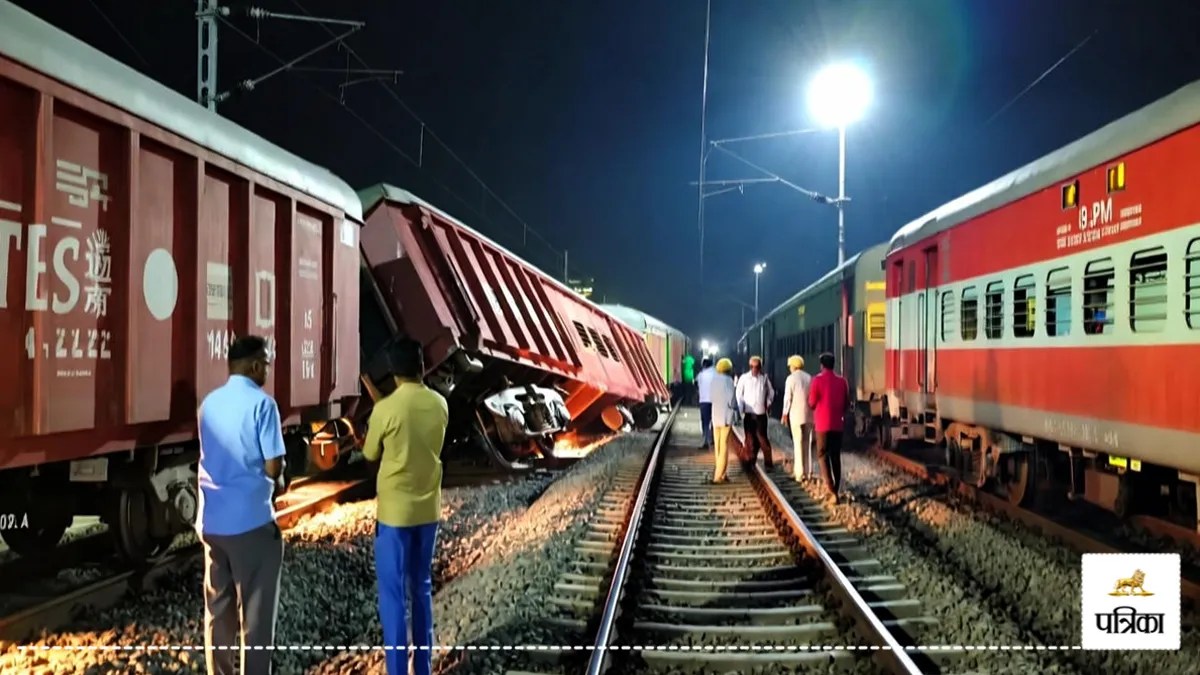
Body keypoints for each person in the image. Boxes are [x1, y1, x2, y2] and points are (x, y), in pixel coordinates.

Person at [197, 335, 287, 675]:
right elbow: (273, 465)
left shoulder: (209, 404)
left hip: (212, 523)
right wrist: (278, 476)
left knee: (218, 612)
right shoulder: (263, 405)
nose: (267, 368)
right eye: (266, 362)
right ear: (253, 365)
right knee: (256, 617)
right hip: (251, 523)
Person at [363, 338, 450, 675]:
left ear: (393, 371)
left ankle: (398, 670)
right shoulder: (440, 404)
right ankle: (423, 668)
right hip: (428, 512)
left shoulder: (385, 410)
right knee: (422, 588)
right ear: (422, 367)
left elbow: (370, 454)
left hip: (395, 517)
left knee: (394, 596)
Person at [808, 351, 851, 504]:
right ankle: (836, 488)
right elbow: (846, 404)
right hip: (838, 425)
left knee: (822, 454)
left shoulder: (817, 381)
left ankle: (831, 488)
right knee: (835, 456)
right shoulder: (842, 382)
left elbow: (812, 403)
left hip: (822, 425)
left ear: (822, 365)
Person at [735, 355, 775, 471]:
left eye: (757, 367)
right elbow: (739, 394)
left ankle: (768, 464)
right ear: (750, 367)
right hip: (749, 414)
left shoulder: (764, 378)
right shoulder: (744, 378)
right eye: (753, 367)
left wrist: (768, 402)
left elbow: (771, 392)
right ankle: (749, 462)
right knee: (750, 440)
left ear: (760, 367)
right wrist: (741, 406)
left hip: (761, 415)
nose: (755, 369)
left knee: (762, 439)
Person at [781, 355, 815, 483]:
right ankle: (808, 472)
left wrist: (785, 413)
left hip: (795, 415)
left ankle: (799, 474)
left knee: (798, 443)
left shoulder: (790, 379)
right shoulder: (809, 377)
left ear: (794, 366)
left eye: (790, 366)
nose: (789, 368)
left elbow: (787, 398)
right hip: (809, 415)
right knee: (807, 443)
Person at [709, 357, 738, 483]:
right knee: (724, 445)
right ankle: (718, 475)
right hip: (726, 415)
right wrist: (734, 408)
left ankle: (722, 473)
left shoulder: (714, 380)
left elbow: (710, 397)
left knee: (718, 446)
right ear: (729, 369)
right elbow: (732, 399)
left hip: (715, 415)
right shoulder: (728, 380)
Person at [695, 356, 715, 449]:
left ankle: (706, 440)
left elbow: (696, 384)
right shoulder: (717, 374)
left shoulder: (701, 375)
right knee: (714, 421)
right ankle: (714, 439)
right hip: (715, 401)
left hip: (704, 401)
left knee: (705, 422)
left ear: (704, 365)